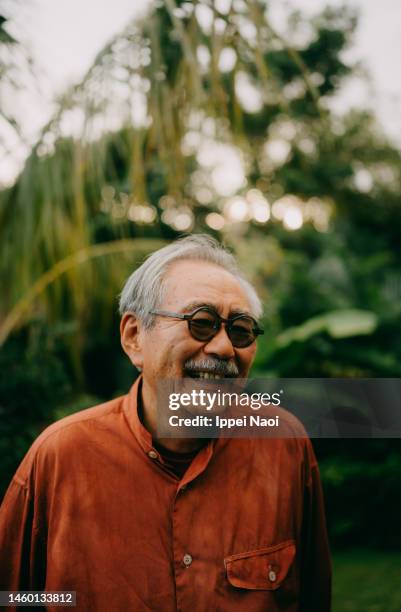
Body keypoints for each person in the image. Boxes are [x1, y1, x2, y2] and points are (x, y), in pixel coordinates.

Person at [0, 234, 331, 611]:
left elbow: (313, 597)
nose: (225, 348)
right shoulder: (59, 457)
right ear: (134, 337)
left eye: (241, 330)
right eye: (201, 322)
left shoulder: (284, 445)